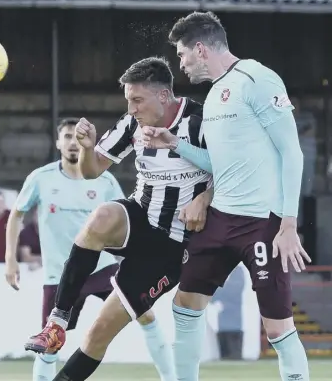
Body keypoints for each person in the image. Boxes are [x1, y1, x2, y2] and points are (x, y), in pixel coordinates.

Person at [141, 11, 311, 381]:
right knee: (185, 305)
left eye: (183, 55)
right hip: (220, 220)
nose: (181, 64)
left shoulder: (259, 79)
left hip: (262, 224)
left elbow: (292, 152)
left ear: (201, 49)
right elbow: (217, 163)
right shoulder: (215, 94)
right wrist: (174, 143)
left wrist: (288, 223)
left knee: (277, 326)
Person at [24, 57, 213, 381]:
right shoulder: (132, 123)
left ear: (163, 96)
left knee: (98, 333)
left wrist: (205, 197)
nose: (133, 108)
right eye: (129, 101)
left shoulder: (202, 121)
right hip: (139, 218)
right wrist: (86, 148)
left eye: (137, 100)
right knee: (103, 216)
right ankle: (57, 323)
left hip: (172, 245)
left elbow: (237, 170)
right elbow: (91, 170)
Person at [5, 118, 178, 381]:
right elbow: (16, 215)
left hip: (103, 268)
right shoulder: (40, 178)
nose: (72, 142)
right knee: (49, 342)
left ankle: (172, 378)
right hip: (59, 274)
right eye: (66, 137)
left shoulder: (105, 180)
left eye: (76, 137)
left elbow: (127, 219)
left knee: (146, 316)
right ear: (57, 142)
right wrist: (10, 259)